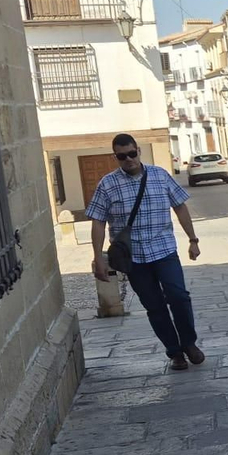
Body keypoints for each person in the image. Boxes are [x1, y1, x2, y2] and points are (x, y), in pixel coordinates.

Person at [88, 133, 204, 370]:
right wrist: (98, 257)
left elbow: (180, 207)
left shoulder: (160, 175)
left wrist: (193, 240)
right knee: (154, 306)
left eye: (131, 153)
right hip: (134, 259)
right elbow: (98, 222)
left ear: (138, 151)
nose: (128, 159)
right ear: (116, 157)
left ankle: (189, 343)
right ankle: (175, 353)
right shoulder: (107, 184)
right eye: (122, 156)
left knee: (179, 297)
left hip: (164, 250)